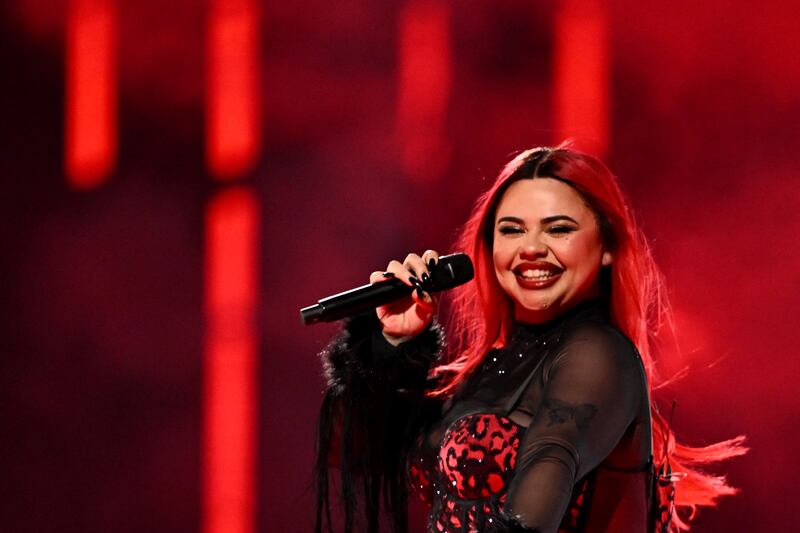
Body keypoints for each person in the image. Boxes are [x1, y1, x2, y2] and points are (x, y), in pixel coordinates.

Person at [314, 144, 746, 533]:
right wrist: (394, 344)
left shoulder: (599, 355)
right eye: (512, 230)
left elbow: (546, 471)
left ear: (607, 247)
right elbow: (351, 451)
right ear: (488, 247)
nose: (531, 248)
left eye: (558, 229)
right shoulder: (483, 372)